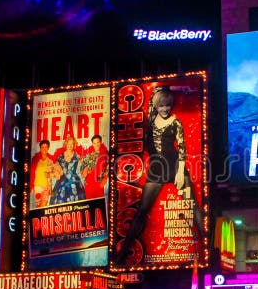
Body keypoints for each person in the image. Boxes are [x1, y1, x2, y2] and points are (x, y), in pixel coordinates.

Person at [114, 87, 204, 265]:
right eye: (162, 106)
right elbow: (153, 97)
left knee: (193, 208)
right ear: (156, 105)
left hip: (175, 167)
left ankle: (209, 249)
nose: (165, 109)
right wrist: (165, 90)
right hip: (156, 170)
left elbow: (182, 149)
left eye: (168, 105)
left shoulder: (175, 122)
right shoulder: (150, 119)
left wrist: (180, 173)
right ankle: (122, 256)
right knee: (141, 212)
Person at [49, 136, 86, 205]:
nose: (70, 146)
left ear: (74, 145)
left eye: (72, 144)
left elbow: (83, 167)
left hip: (75, 182)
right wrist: (55, 171)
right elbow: (55, 168)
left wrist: (85, 170)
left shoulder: (77, 155)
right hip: (61, 183)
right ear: (65, 144)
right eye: (68, 143)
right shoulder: (60, 156)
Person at [80, 134, 109, 199]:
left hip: (99, 182)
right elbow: (83, 165)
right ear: (92, 144)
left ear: (101, 142)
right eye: (94, 143)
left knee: (98, 203)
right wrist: (85, 170)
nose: (96, 145)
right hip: (89, 182)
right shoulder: (89, 154)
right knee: (89, 203)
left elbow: (108, 167)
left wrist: (104, 179)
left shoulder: (106, 153)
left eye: (98, 142)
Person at [30, 139, 55, 208]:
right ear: (40, 148)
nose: (44, 149)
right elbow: (31, 173)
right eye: (42, 147)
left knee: (43, 205)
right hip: (37, 186)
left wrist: (50, 174)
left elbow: (54, 173)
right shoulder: (35, 159)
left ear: (48, 148)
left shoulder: (51, 159)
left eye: (46, 147)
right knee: (38, 206)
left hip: (46, 187)